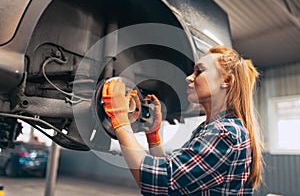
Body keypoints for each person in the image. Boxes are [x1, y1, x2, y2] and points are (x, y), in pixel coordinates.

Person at [101, 45, 263, 195]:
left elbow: (156, 181)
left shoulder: (224, 133)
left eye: (199, 72)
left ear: (226, 81)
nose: (189, 78)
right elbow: (179, 180)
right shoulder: (213, 128)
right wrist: (153, 137)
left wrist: (120, 118)